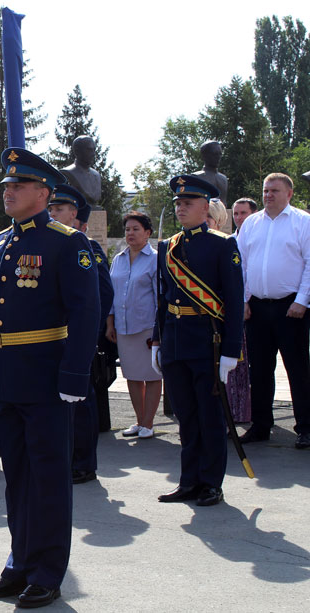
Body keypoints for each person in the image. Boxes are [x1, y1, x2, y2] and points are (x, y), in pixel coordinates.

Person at [0, 148, 99, 608]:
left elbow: (86, 312)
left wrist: (74, 375)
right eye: (6, 186)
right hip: (6, 376)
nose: (8, 192)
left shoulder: (67, 243)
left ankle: (47, 571)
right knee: (17, 477)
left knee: (48, 477)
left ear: (43, 193)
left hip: (46, 377)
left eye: (17, 186)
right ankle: (18, 563)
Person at [152, 174, 244, 506]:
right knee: (186, 417)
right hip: (176, 341)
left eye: (187, 203)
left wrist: (232, 350)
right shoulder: (168, 247)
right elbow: (163, 299)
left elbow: (233, 300)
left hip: (209, 343)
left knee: (209, 416)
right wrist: (157, 341)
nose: (181, 208)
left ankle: (211, 483)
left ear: (206, 207)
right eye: (177, 203)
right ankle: (188, 480)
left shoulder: (223, 245)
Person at [236, 173, 310, 450]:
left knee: (298, 369)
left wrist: (302, 301)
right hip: (256, 307)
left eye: (275, 191)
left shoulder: (302, 222)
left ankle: (305, 426)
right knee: (260, 370)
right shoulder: (251, 224)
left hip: (291, 307)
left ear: (289, 194)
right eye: (266, 190)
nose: (268, 195)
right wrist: (242, 301)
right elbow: (240, 264)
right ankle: (261, 425)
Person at [47, 184, 114, 484]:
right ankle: (66, 457)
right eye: (50, 208)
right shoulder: (49, 244)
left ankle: (84, 463)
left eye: (59, 209)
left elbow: (102, 292)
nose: (52, 213)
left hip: (77, 338)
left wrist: (89, 333)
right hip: (52, 339)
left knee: (82, 403)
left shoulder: (86, 246)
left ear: (74, 215)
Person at [106, 212, 162, 439]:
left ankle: (149, 423)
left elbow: (160, 297)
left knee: (151, 375)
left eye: (136, 229)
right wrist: (110, 324)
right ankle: (139, 422)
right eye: (128, 229)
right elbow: (111, 294)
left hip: (146, 326)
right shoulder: (118, 259)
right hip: (123, 327)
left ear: (147, 233)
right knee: (132, 375)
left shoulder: (156, 259)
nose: (130, 233)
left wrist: (160, 330)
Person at [206, 200, 250, 423]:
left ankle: (232, 418)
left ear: (219, 221)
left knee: (231, 375)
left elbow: (237, 282)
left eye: (209, 220)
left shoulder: (227, 243)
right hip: (203, 323)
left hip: (224, 318)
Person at [59, 135, 102, 205]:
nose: (93, 154)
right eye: (89, 150)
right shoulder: (68, 172)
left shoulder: (96, 175)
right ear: (77, 151)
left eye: (94, 150)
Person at [193, 140, 229, 206]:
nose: (218, 157)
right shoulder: (196, 177)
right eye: (214, 154)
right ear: (204, 156)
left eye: (220, 154)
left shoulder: (223, 178)